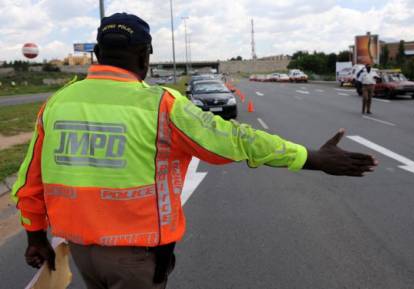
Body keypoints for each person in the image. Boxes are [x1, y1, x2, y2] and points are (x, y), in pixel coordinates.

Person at [11, 13, 378, 289]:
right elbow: (233, 140)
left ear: (96, 56)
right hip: (136, 259)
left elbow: (30, 181)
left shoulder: (57, 103)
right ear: (145, 55)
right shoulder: (161, 105)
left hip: (82, 254)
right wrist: (311, 157)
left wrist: (34, 237)